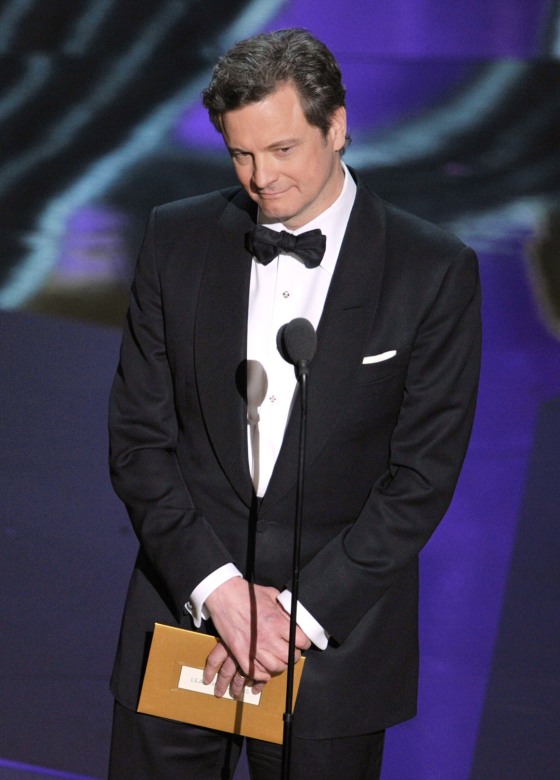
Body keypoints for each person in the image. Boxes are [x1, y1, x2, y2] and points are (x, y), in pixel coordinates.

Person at [107, 27, 481, 779]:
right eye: (241, 154)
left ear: (336, 126)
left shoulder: (432, 271)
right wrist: (219, 591)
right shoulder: (174, 238)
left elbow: (420, 479)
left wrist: (292, 620)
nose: (261, 178)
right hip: (185, 619)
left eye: (282, 150)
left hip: (333, 651)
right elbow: (138, 440)